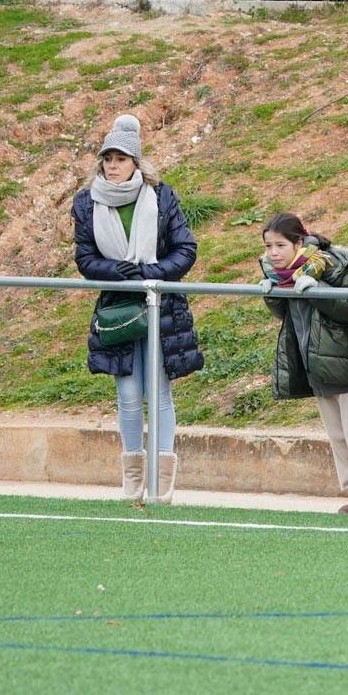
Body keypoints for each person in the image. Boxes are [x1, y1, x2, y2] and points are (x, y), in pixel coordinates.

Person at [72, 114, 203, 504]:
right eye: (107, 159)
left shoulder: (161, 196)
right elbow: (85, 257)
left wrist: (151, 273)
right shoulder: (87, 202)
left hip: (160, 303)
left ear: (136, 162)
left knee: (159, 391)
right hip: (118, 308)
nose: (112, 166)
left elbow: (186, 249)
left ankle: (160, 479)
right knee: (128, 394)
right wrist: (116, 271)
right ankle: (132, 478)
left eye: (120, 159)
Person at [260, 213, 348, 514]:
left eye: (280, 245)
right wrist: (271, 293)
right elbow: (287, 314)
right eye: (269, 246)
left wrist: (316, 291)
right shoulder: (284, 275)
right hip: (316, 363)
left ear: (299, 242)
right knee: (339, 433)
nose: (273, 253)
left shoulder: (330, 262)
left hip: (346, 360)